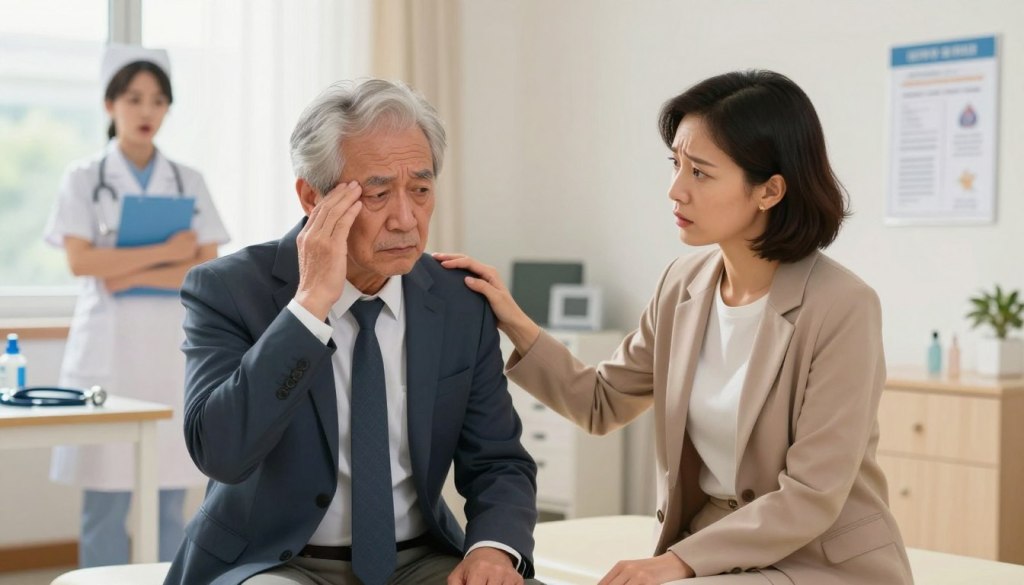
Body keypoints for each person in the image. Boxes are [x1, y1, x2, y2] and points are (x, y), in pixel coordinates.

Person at [435, 70, 913, 584]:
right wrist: (515, 321)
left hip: (817, 562)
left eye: (701, 173)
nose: (675, 190)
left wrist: (676, 562)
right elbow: (601, 402)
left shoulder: (843, 306)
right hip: (714, 554)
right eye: (676, 164)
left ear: (770, 191)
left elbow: (812, 494)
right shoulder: (682, 285)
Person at [163, 79, 540, 585]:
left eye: (422, 191)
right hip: (275, 563)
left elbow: (498, 461)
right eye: (379, 193)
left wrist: (494, 551)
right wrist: (309, 306)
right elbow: (223, 454)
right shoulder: (228, 289)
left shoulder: (458, 300)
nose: (406, 219)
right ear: (311, 197)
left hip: (420, 560)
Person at [43, 44, 230, 567]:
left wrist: (122, 268)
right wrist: (168, 252)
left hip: (171, 355)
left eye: (157, 100)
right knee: (103, 503)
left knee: (171, 500)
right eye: (133, 98)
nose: (147, 111)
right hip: (108, 354)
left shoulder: (187, 180)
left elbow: (205, 269)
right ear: (110, 106)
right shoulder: (84, 178)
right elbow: (81, 263)